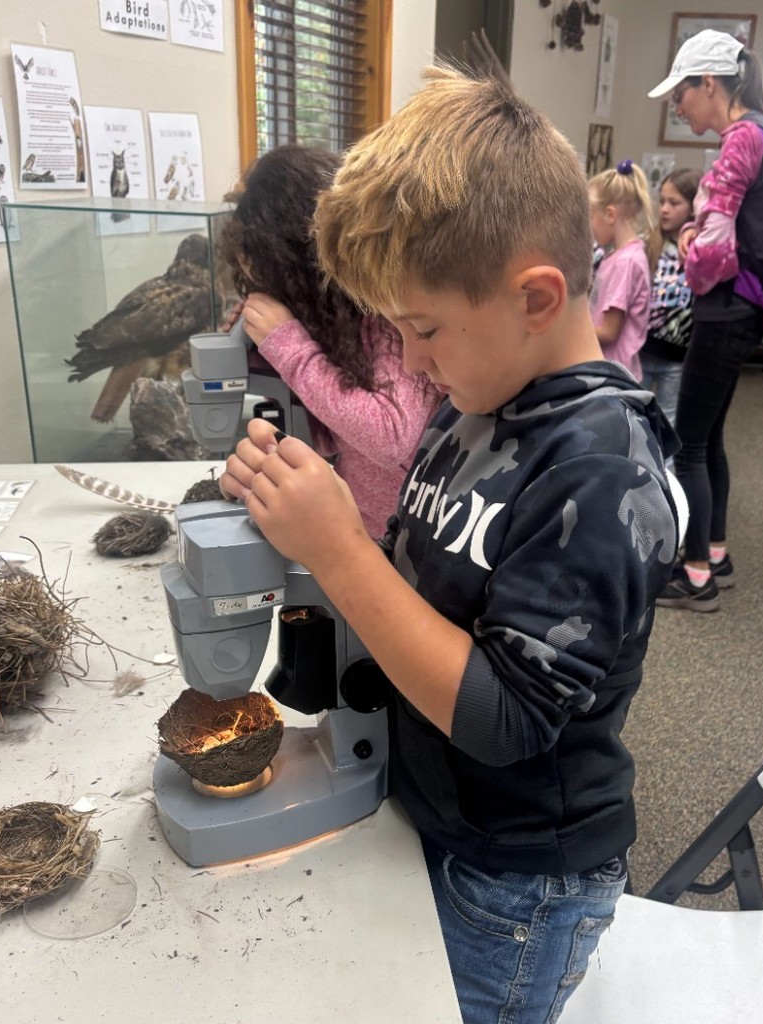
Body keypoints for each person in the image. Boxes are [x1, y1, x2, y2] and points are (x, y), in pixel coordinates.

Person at [221, 65, 678, 1024]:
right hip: (430, 811)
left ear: (538, 297)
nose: (412, 360)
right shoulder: (474, 403)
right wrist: (312, 526)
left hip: (514, 880)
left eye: (422, 330)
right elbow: (415, 578)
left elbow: (508, 720)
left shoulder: (604, 471)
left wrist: (338, 548)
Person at [218, 144, 442, 538]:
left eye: (271, 277)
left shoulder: (386, 318)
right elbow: (334, 438)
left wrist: (290, 348)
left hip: (408, 550)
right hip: (368, 532)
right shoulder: (339, 324)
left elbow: (390, 438)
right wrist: (266, 358)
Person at [647, 29, 763, 612]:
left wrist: (684, 237)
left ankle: (697, 574)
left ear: (710, 83)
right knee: (710, 440)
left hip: (724, 310)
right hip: (752, 310)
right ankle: (718, 551)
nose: (679, 107)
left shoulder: (740, 142)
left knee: (689, 446)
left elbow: (710, 259)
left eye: (681, 94)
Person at [639, 168, 701, 427]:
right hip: (641, 351)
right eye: (662, 201)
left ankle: (664, 468)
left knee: (668, 422)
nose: (664, 209)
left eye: (674, 203)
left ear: (693, 208)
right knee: (633, 414)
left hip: (678, 359)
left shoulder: (700, 250)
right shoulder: (648, 243)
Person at [588, 159, 654, 380]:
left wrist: (563, 331)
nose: (589, 225)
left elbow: (609, 331)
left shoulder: (625, 263)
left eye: (591, 216)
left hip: (613, 375)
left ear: (610, 214)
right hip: (605, 369)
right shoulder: (620, 257)